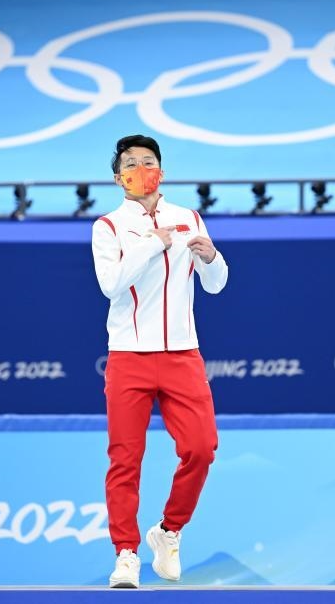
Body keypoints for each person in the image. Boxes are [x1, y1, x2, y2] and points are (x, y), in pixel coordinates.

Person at [91, 134, 229, 588]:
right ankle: (126, 554)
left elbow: (215, 285)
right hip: (129, 355)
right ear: (119, 179)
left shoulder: (188, 218)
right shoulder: (108, 226)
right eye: (130, 164)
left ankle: (169, 531)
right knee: (125, 459)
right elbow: (111, 284)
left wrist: (213, 259)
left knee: (201, 448)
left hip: (182, 354)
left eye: (148, 161)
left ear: (161, 172)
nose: (140, 169)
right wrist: (151, 244)